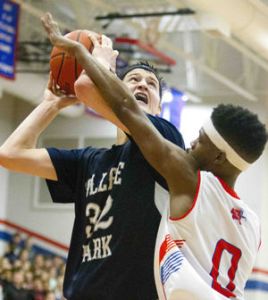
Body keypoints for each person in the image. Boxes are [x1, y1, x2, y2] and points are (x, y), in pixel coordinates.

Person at [40, 12, 268, 300]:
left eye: (202, 139)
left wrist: (79, 52)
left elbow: (125, 108)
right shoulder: (253, 224)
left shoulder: (190, 182)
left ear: (219, 158)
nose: (192, 141)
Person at [0, 17, 185, 300]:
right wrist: (50, 104)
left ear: (158, 108)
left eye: (151, 84)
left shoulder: (166, 140)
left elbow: (87, 87)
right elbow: (11, 154)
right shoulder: (89, 161)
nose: (142, 85)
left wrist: (100, 61)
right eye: (133, 80)